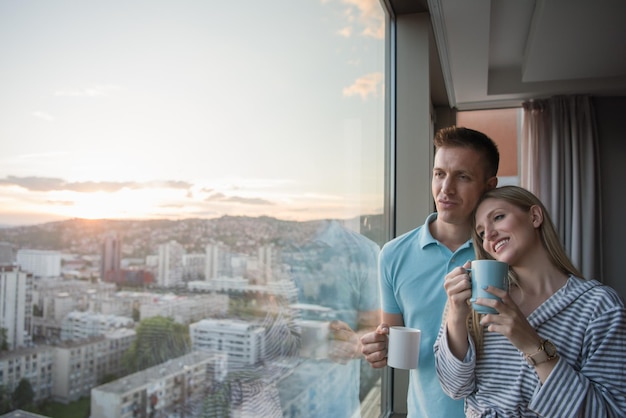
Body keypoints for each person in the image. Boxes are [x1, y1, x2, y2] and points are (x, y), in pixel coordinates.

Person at [434, 185, 626, 417]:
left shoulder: (600, 306)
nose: (489, 235)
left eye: (498, 217)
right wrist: (456, 317)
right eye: (482, 233)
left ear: (534, 216)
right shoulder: (480, 302)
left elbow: (611, 412)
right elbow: (455, 388)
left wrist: (533, 345)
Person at [360, 126, 500, 418]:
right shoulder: (393, 255)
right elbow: (394, 337)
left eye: (462, 177)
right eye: (439, 174)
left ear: (489, 186)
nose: (445, 189)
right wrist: (380, 347)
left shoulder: (502, 253)